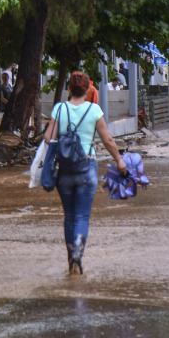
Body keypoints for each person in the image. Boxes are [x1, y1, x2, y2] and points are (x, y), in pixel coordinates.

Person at [46, 70, 127, 274]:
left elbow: (48, 138)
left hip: (64, 170)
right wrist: (119, 161)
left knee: (69, 216)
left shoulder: (59, 109)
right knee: (82, 215)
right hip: (86, 167)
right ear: (89, 89)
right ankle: (78, 253)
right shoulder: (94, 110)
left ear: (69, 89)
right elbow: (108, 140)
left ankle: (70, 258)